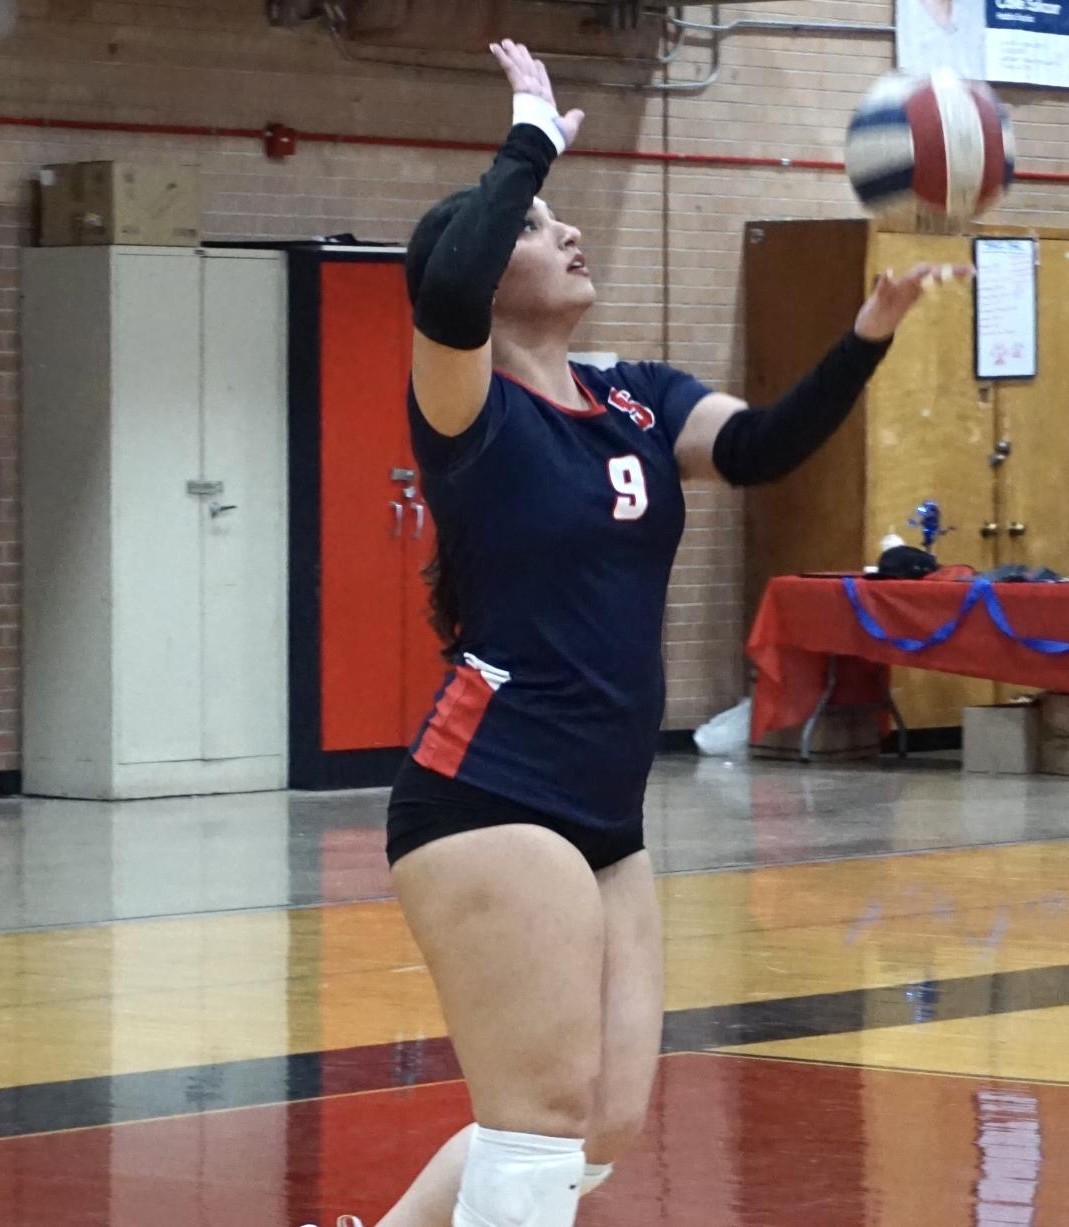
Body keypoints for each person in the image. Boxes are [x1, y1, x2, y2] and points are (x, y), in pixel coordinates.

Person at [357, 41, 959, 1227]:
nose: (570, 234)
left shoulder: (638, 397)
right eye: (539, 228)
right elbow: (445, 294)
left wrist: (866, 338)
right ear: (489, 262)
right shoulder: (467, 404)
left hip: (606, 812)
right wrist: (529, 136)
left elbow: (763, 446)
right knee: (539, 1111)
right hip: (490, 794)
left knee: (599, 1125)